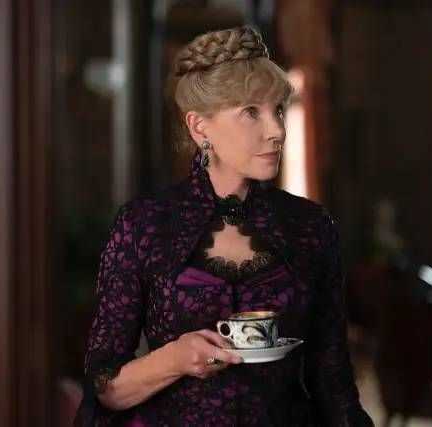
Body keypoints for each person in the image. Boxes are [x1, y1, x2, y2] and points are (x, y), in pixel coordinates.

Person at [74, 26, 373, 426]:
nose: (276, 131)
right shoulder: (143, 226)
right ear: (200, 128)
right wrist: (174, 359)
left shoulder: (311, 228)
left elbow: (334, 385)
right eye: (251, 112)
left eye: (278, 110)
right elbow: (105, 388)